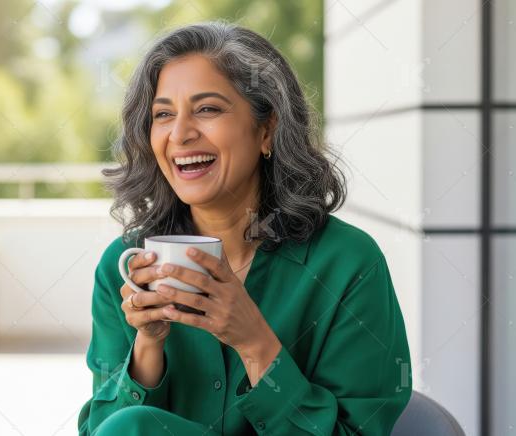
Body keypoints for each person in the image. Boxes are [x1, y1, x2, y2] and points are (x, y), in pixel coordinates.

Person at [77, 21, 412, 435]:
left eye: (208, 109)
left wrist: (254, 342)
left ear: (267, 128)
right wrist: (148, 344)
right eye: (163, 114)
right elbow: (107, 430)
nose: (180, 134)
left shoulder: (349, 264)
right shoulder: (124, 267)